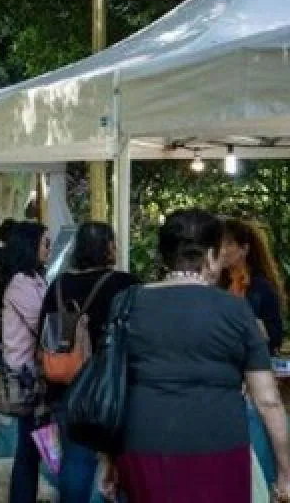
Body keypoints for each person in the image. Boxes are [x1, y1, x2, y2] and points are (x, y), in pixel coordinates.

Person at [100, 209, 290, 503]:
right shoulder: (237, 311)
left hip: (143, 442)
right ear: (212, 257)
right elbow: (268, 400)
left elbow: (112, 388)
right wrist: (285, 473)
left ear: (164, 256)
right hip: (220, 443)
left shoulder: (126, 303)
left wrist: (108, 460)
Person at [37, 221, 137, 502]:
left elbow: (42, 337)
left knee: (74, 459)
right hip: (109, 386)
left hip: (62, 383)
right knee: (118, 461)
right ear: (107, 248)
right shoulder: (124, 284)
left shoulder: (58, 285)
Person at [0, 221, 50, 503]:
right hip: (27, 375)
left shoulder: (35, 279)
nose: (48, 249)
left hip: (33, 371)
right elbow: (42, 322)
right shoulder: (20, 284)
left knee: (32, 445)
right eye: (44, 243)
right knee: (30, 446)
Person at [220, 218, 286, 355]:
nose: (222, 250)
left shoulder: (261, 287)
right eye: (219, 244)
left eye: (228, 244)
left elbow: (275, 336)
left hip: (252, 360)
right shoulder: (216, 283)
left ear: (244, 249)